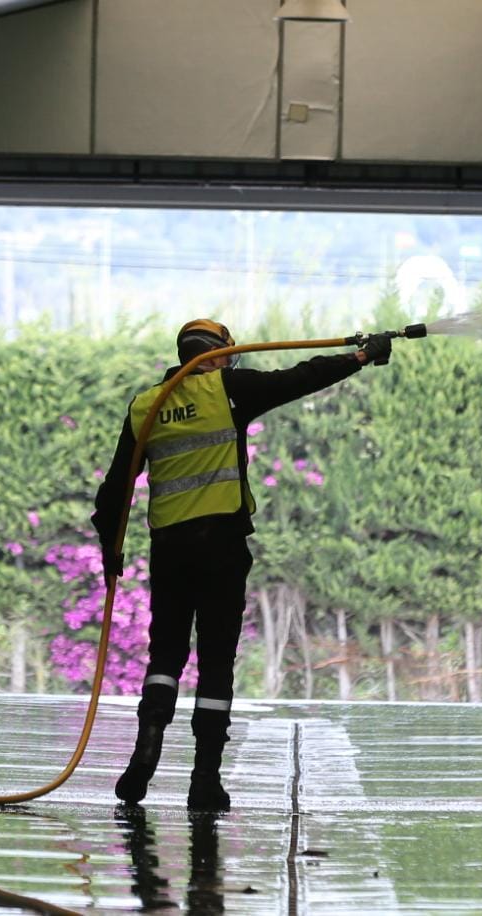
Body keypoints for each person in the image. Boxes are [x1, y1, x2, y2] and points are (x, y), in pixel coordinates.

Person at [94, 318, 393, 810]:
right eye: (228, 354)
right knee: (215, 662)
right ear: (215, 355)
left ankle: (144, 754)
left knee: (165, 656)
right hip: (221, 546)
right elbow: (297, 378)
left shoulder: (147, 404)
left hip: (169, 547)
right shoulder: (227, 389)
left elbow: (114, 491)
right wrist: (360, 357)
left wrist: (112, 550)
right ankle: (205, 778)